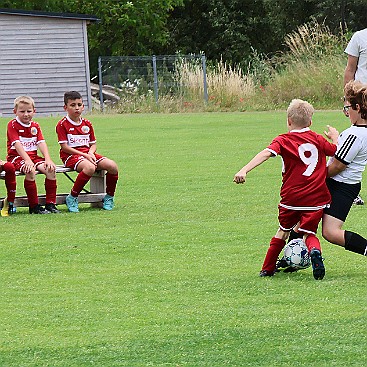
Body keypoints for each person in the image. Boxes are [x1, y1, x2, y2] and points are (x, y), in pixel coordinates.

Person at [233, 99, 338, 280]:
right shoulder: (318, 139)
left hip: (291, 198)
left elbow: (266, 153)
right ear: (311, 122)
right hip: (316, 199)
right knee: (308, 233)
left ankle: (267, 268)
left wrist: (244, 170)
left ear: (288, 120)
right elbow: (335, 150)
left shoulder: (283, 140)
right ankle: (315, 253)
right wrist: (335, 137)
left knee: (282, 231)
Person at [322, 80, 367, 257]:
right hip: (347, 185)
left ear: (357, 107)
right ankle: (290, 258)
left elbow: (338, 165)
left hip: (338, 186)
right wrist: (336, 138)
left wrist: (314, 177)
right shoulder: (358, 131)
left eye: (347, 108)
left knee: (330, 231)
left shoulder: (355, 134)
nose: (346, 112)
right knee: (303, 220)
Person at [56, 91, 119, 213]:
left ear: (83, 106)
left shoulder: (87, 123)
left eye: (79, 105)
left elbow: (93, 144)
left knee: (112, 166)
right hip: (71, 156)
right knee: (90, 168)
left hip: (87, 154)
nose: (77, 108)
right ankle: (73, 197)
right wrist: (84, 155)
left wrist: (90, 153)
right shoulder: (62, 124)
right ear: (65, 107)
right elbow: (64, 147)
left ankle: (109, 197)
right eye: (73, 105)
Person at [6, 96, 59, 214]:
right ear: (15, 112)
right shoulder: (12, 125)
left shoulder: (35, 125)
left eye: (29, 111)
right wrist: (27, 160)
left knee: (50, 169)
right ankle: (34, 206)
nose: (26, 114)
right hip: (17, 157)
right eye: (22, 111)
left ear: (34, 111)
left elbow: (41, 142)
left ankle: (51, 204)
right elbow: (17, 144)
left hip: (33, 157)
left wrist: (48, 159)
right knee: (30, 170)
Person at [343, 28, 367, 204]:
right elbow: (350, 70)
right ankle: (351, 190)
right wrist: (348, 100)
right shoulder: (359, 36)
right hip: (361, 98)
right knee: (355, 144)